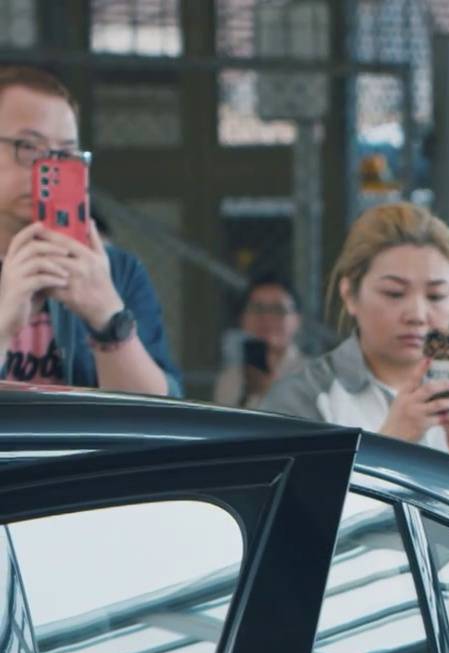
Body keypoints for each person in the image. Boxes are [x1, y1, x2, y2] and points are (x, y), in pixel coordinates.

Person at [259, 202, 449, 475]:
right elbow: (292, 504)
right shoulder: (303, 400)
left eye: (436, 296)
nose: (417, 315)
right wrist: (388, 446)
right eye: (394, 293)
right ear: (350, 295)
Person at [0, 66, 178, 395]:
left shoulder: (118, 272)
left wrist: (107, 317)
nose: (48, 166)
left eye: (65, 154)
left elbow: (159, 415)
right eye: (28, 147)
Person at [214, 272, 307, 410]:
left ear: (297, 320)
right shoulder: (230, 379)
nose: (266, 318)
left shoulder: (312, 376)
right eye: (257, 309)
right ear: (242, 318)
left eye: (278, 309)